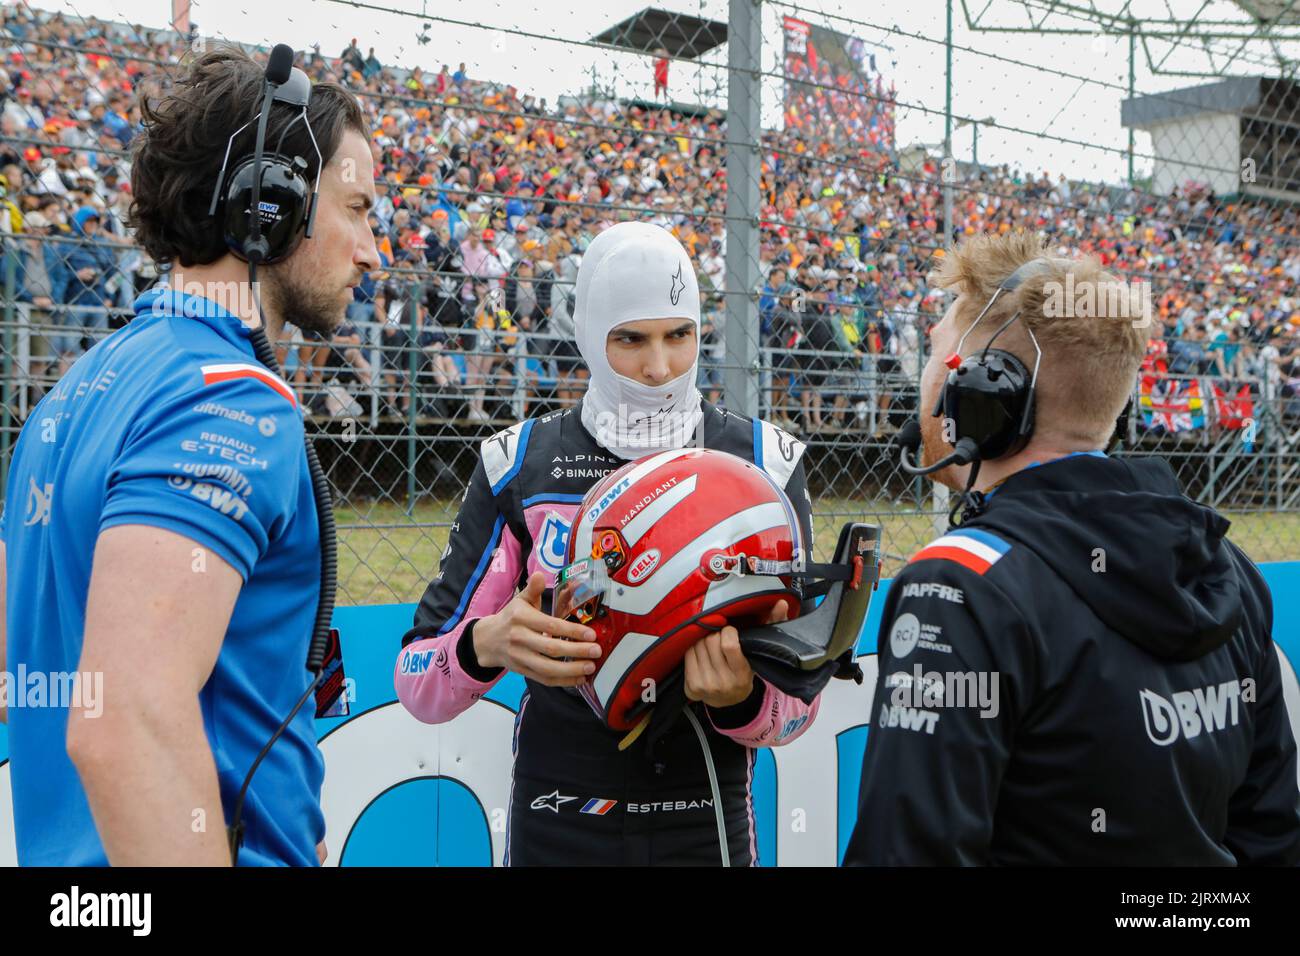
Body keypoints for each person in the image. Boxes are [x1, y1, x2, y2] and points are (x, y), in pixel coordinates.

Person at [0, 45, 379, 866]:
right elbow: (123, 721)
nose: (371, 249)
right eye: (357, 208)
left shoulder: (72, 391)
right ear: (271, 206)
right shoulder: (228, 396)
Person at [844, 233, 1300, 866]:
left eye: (938, 355)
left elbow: (907, 855)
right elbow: (1272, 837)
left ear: (987, 398)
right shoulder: (1225, 564)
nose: (926, 380)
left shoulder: (958, 585)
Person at [394, 222, 821, 866]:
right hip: (557, 816)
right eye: (630, 339)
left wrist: (745, 700)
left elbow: (798, 708)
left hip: (702, 817)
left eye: (680, 335)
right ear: (591, 336)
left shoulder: (767, 465)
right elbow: (415, 680)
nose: (658, 366)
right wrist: (484, 645)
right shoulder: (518, 464)